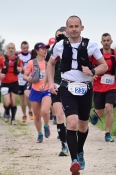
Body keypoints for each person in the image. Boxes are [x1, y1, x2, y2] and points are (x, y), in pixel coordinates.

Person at [47, 15, 108, 175]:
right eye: (71, 26)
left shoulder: (91, 45)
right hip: (67, 88)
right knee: (72, 123)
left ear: (82, 28)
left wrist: (93, 71)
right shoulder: (59, 46)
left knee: (83, 125)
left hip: (85, 88)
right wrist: (51, 82)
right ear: (66, 29)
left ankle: (79, 151)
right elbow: (50, 64)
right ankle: (74, 160)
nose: (74, 29)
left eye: (76, 26)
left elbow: (105, 66)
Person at [91, 33, 116, 142]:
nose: (106, 42)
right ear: (101, 42)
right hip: (98, 86)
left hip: (112, 85)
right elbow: (89, 65)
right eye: (104, 40)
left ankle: (107, 133)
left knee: (109, 108)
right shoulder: (96, 54)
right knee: (100, 112)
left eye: (108, 40)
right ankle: (96, 115)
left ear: (111, 42)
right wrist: (93, 74)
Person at [45, 27, 69, 156]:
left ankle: (72, 142)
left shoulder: (73, 49)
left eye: (63, 36)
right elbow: (49, 67)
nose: (61, 39)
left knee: (71, 118)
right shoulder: (52, 51)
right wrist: (48, 83)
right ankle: (64, 145)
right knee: (59, 115)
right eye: (58, 36)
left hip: (71, 85)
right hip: (56, 85)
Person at [24, 43, 51, 143]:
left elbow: (51, 77)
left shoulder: (49, 63)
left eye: (46, 49)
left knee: (44, 111)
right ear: (37, 51)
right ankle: (39, 133)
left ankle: (46, 126)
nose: (45, 51)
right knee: (37, 115)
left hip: (46, 90)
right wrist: (29, 78)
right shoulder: (31, 63)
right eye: (42, 49)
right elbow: (24, 76)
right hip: (35, 90)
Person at [0, 43, 23, 125]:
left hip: (14, 83)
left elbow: (22, 68)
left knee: (14, 102)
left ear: (14, 49)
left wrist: (20, 69)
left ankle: (13, 118)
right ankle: (7, 112)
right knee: (7, 102)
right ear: (7, 49)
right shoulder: (1, 59)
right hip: (4, 83)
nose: (11, 49)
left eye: (12, 48)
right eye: (9, 48)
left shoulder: (18, 59)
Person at [17, 41, 33, 122]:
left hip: (28, 78)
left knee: (28, 96)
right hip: (20, 79)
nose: (25, 49)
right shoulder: (18, 57)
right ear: (21, 48)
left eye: (27, 48)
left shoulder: (31, 56)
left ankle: (30, 110)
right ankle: (24, 114)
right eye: (24, 48)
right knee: (22, 98)